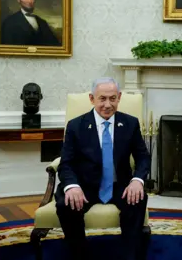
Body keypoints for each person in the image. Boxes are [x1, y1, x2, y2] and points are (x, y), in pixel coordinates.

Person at [54, 77, 150, 260]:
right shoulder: (76, 126)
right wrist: (72, 186)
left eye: (112, 98)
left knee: (138, 198)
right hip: (85, 185)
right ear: (92, 99)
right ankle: (79, 253)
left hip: (119, 184)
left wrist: (137, 180)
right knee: (65, 204)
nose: (108, 104)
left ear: (119, 97)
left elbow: (143, 156)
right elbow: (66, 163)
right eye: (102, 99)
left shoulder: (130, 123)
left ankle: (131, 255)